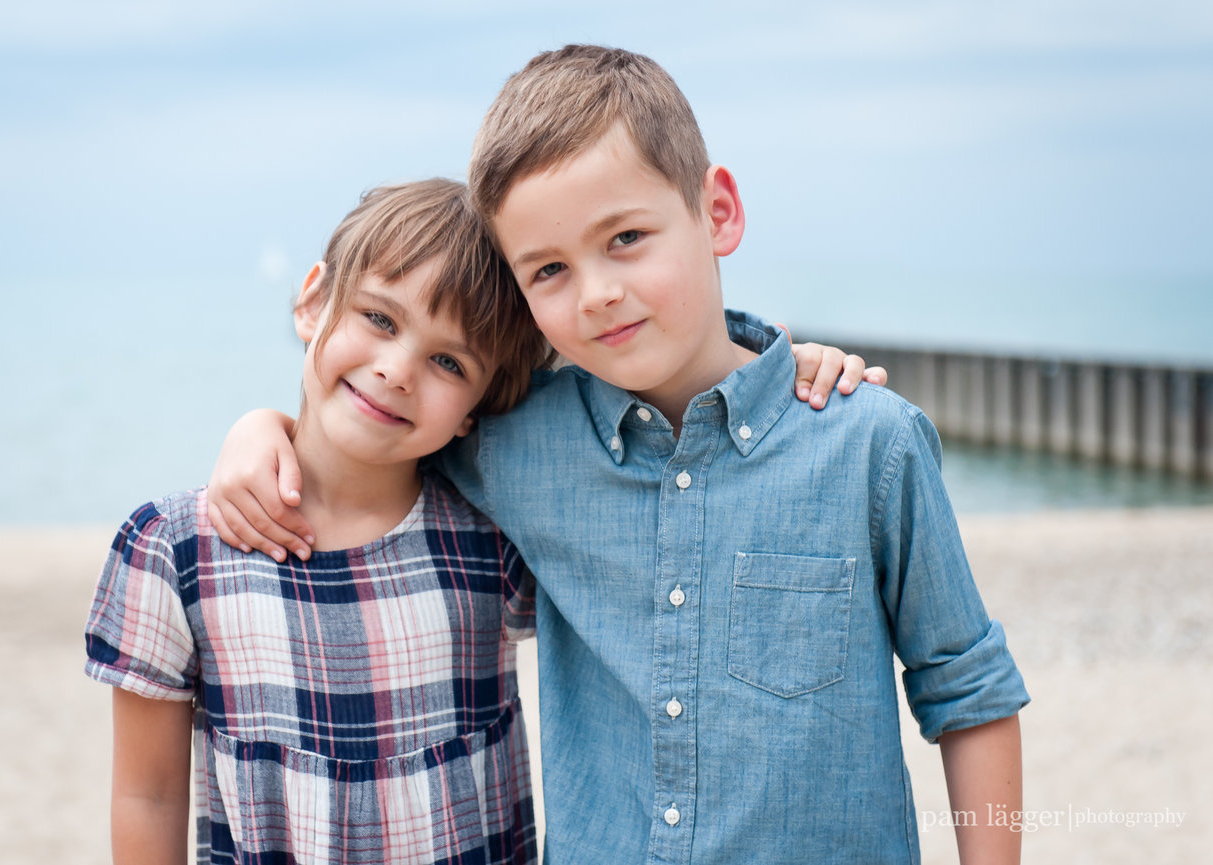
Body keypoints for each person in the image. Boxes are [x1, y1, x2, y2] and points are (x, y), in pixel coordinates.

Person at [210, 45, 1027, 864]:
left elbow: (968, 690)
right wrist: (266, 427)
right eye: (551, 269)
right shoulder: (515, 445)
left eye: (627, 237)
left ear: (718, 213)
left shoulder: (867, 443)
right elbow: (386, 431)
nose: (596, 291)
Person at [84, 179, 550, 865]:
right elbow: (147, 796)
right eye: (380, 319)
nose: (395, 370)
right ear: (311, 301)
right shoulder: (176, 550)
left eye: (448, 361)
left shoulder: (495, 540)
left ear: (481, 404)